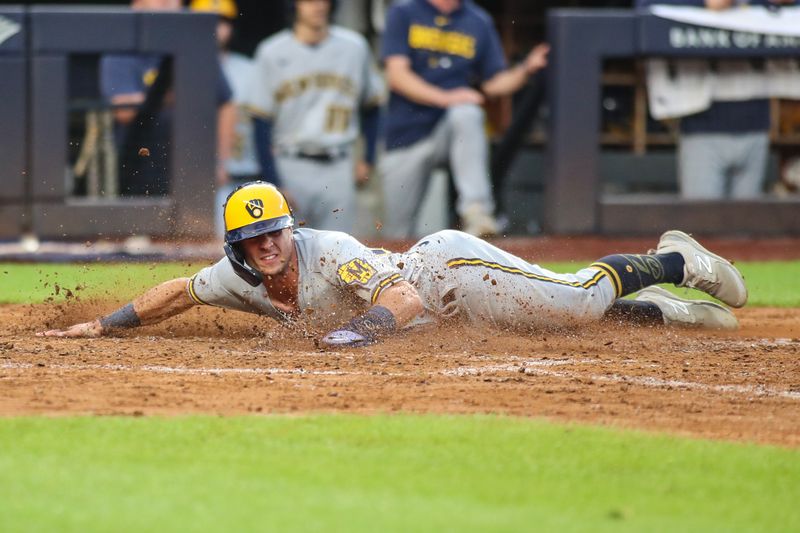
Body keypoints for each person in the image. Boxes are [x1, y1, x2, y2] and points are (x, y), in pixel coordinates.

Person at [40, 182, 747, 345]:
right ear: (238, 251)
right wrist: (104, 325)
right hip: (442, 314)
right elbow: (178, 291)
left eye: (276, 231)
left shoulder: (335, 256)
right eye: (255, 241)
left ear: (292, 227)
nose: (269, 245)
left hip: (447, 272)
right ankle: (669, 311)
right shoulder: (235, 277)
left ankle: (674, 257)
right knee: (552, 330)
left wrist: (358, 333)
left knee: (573, 303)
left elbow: (404, 296)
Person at [379, 0, 549, 238]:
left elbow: (494, 84)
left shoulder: (477, 19)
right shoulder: (403, 11)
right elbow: (397, 75)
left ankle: (476, 210)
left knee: (468, 112)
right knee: (396, 234)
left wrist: (526, 69)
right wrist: (446, 97)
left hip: (451, 129)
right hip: (406, 133)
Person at [244, 0, 384, 233]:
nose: (318, 6)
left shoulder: (354, 47)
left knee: (339, 253)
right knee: (290, 250)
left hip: (338, 165)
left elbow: (373, 107)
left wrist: (368, 158)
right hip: (290, 164)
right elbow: (260, 123)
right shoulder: (271, 51)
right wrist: (274, 181)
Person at [638, 0, 795, 199]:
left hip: (756, 119)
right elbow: (644, 7)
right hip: (701, 124)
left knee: (746, 223)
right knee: (701, 222)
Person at [99, 0, 234, 196]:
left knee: (196, 225)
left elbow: (226, 103)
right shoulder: (123, 48)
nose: (166, 1)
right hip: (138, 167)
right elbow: (124, 110)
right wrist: (178, 96)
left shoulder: (196, 44)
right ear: (137, 5)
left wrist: (221, 161)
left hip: (192, 163)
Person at [189, 0, 262, 238]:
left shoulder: (249, 69)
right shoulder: (181, 67)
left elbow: (265, 123)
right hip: (196, 178)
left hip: (245, 173)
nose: (216, 28)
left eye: (223, 21)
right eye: (208, 20)